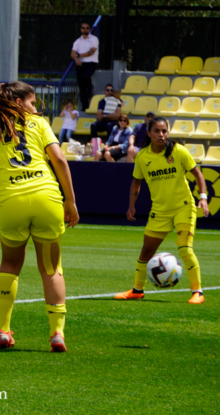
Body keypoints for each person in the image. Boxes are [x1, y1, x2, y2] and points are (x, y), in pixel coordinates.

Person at [0, 81, 79, 353]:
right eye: (32, 102)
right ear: (19, 103)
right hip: (47, 198)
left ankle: (3, 330)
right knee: (51, 267)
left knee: (9, 264)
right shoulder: (38, 124)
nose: (35, 108)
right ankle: (57, 334)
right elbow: (60, 161)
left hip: (11, 203)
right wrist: (71, 200)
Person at [115, 117, 208, 305]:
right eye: (157, 131)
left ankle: (197, 291)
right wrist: (132, 205)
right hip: (160, 211)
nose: (161, 135)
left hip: (183, 207)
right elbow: (136, 181)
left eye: (164, 131)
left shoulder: (178, 151)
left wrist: (203, 198)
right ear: (149, 133)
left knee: (184, 247)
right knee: (146, 251)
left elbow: (197, 173)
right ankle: (137, 290)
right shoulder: (142, 157)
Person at [71, 22, 99, 112]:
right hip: (80, 64)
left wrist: (78, 55)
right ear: (81, 29)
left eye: (87, 28)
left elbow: (91, 52)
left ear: (89, 29)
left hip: (91, 63)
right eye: (83, 28)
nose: (85, 29)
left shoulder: (94, 39)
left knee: (86, 77)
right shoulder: (77, 41)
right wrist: (76, 59)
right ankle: (85, 105)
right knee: (81, 86)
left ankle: (90, 87)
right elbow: (72, 53)